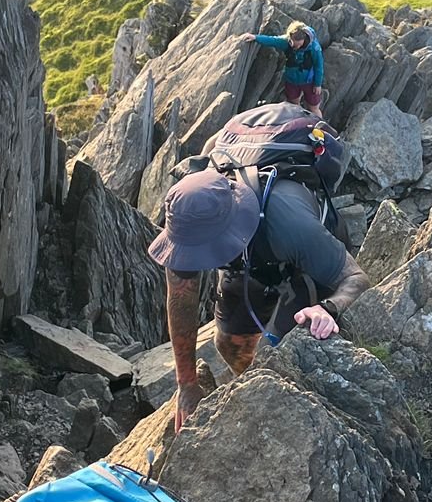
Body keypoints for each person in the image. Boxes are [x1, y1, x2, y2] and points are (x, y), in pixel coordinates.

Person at [151, 161, 369, 428]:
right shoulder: (187, 226)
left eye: (203, 252)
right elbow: (181, 299)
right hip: (248, 261)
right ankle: (257, 394)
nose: (196, 260)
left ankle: (305, 420)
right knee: (229, 344)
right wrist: (186, 384)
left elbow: (356, 278)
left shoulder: (293, 226)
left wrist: (327, 308)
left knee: (284, 353)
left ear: (225, 235)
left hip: (303, 265)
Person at [254, 21, 324, 110]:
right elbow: (272, 40)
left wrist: (318, 84)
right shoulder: (286, 42)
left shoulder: (314, 47)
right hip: (292, 80)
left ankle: (318, 123)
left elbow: (319, 66)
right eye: (294, 45)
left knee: (313, 108)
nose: (297, 47)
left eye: (299, 45)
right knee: (293, 106)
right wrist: (255, 38)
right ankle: (298, 121)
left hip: (309, 81)